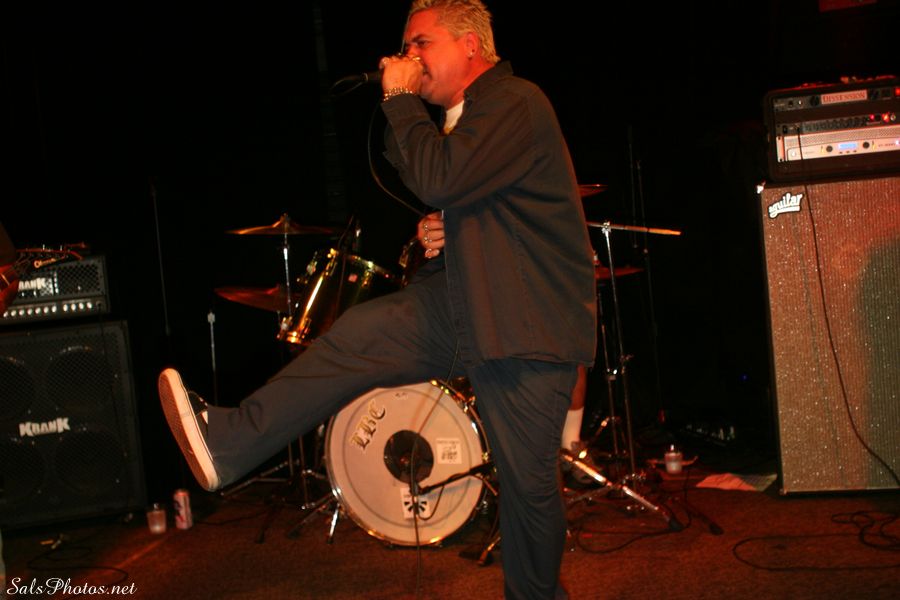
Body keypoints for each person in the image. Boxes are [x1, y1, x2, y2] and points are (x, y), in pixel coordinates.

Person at [158, 1, 596, 598]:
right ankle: (228, 443)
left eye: (421, 42)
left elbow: (440, 177)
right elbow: (456, 189)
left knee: (527, 489)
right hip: (465, 302)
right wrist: (443, 228)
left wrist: (399, 100)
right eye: (406, 45)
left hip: (526, 322)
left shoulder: (515, 100)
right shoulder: (469, 117)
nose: (406, 55)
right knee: (357, 334)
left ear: (470, 45)